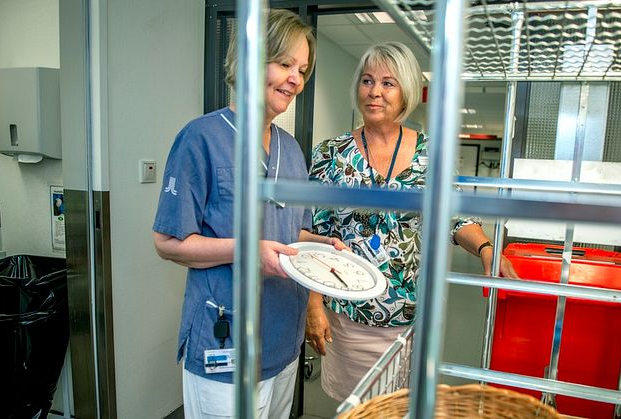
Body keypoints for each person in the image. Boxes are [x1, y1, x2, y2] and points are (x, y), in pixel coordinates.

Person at [152, 9, 342, 419]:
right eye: (286, 64)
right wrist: (247, 250)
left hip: (282, 342)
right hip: (227, 340)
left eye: (303, 69)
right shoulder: (201, 138)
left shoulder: (291, 150)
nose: (297, 78)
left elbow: (294, 232)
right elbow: (167, 242)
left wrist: (324, 246)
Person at [306, 41, 519, 401]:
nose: (375, 92)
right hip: (349, 316)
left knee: (401, 405)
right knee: (356, 408)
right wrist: (313, 305)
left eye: (388, 83)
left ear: (406, 92)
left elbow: (456, 217)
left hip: (410, 316)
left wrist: (485, 248)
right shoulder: (331, 153)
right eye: (368, 81)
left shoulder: (430, 153)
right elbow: (313, 233)